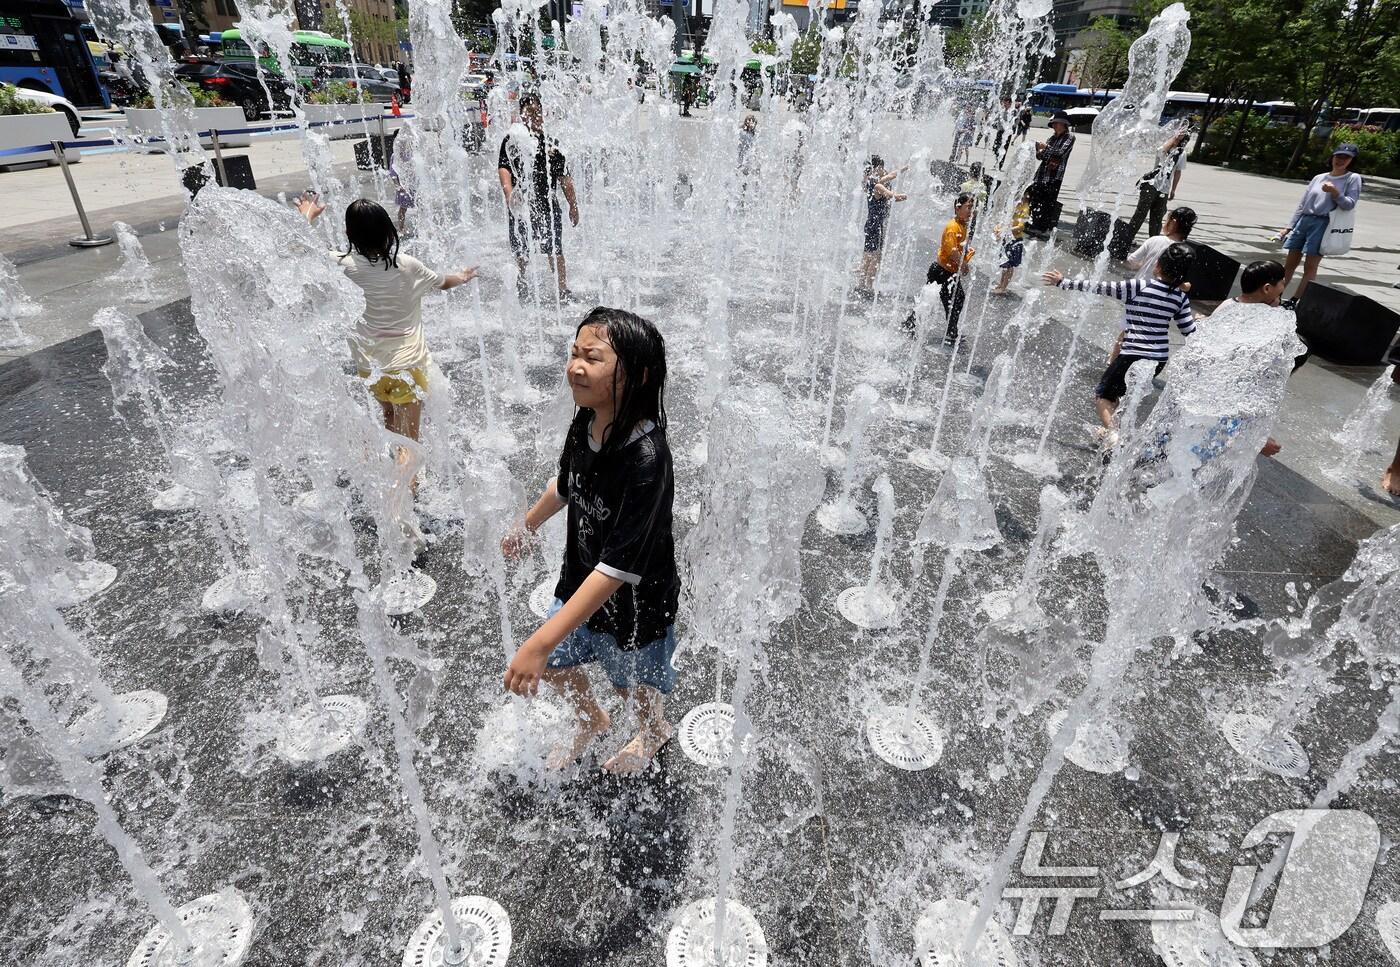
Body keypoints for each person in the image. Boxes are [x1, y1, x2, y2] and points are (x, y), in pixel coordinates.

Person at [502, 308, 679, 775]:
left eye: (593, 358)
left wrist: (538, 641)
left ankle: (652, 729)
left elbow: (618, 570)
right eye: (574, 353)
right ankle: (592, 719)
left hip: (637, 599)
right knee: (558, 663)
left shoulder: (646, 459)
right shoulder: (587, 420)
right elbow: (566, 483)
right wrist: (528, 524)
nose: (575, 366)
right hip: (582, 576)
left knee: (631, 683)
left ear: (636, 376)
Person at [296, 195, 477, 483]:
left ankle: (397, 484)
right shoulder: (407, 265)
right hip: (407, 366)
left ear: (349, 234)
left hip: (371, 368)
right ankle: (400, 508)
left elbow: (299, 247)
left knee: (392, 423)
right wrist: (463, 276)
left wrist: (307, 215)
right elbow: (443, 283)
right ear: (388, 231)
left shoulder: (347, 265)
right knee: (410, 448)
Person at [1044, 241, 1195, 441]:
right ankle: (1112, 431)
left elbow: (1101, 287)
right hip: (1159, 359)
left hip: (1133, 353)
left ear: (1157, 265)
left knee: (1103, 395)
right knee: (1125, 396)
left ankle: (1115, 436)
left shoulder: (1140, 286)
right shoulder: (1181, 298)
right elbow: (1189, 331)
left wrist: (1063, 282)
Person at [498, 92, 580, 300]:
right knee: (521, 248)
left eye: (537, 113)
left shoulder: (552, 143)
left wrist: (573, 205)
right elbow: (504, 168)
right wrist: (509, 194)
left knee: (555, 248)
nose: (534, 117)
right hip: (521, 205)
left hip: (548, 205)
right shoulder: (512, 141)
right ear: (521, 115)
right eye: (529, 113)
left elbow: (564, 178)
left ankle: (562, 289)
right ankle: (522, 281)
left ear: (543, 114)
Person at [1277, 143, 1362, 307]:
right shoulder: (1319, 177)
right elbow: (1302, 204)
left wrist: (1336, 193)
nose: (1340, 160)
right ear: (1332, 157)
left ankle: (1295, 301)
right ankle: (1275, 296)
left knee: (1310, 266)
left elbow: (1349, 204)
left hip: (1324, 223)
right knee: (1289, 264)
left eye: (1346, 157)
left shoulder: (1352, 178)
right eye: (1338, 156)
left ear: (1352, 160)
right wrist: (1289, 227)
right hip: (1305, 221)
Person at [904, 192, 976, 345]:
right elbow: (952, 252)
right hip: (942, 271)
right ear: (958, 208)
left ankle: (914, 323)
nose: (970, 211)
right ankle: (947, 331)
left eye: (972, 208)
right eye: (968, 207)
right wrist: (963, 265)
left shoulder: (962, 225)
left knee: (950, 300)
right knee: (943, 300)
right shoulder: (952, 227)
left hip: (948, 271)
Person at [1117, 126, 1190, 255]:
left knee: (1157, 218)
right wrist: (1175, 137)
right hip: (1151, 185)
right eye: (1179, 137)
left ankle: (1153, 246)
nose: (1181, 140)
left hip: (1164, 188)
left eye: (1183, 138)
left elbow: (1178, 172)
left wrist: (1173, 190)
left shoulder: (1182, 153)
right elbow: (1161, 150)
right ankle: (1126, 240)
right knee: (1140, 214)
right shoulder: (1166, 147)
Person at [856, 155, 908, 300]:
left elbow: (891, 175)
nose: (885, 170)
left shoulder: (871, 181)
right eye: (882, 167)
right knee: (876, 257)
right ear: (877, 168)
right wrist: (902, 195)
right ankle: (869, 286)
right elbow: (892, 196)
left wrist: (903, 168)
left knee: (867, 255)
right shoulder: (878, 185)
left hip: (871, 223)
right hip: (876, 225)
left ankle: (861, 284)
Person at [1028, 112, 1075, 235]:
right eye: (1054, 123)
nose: (1055, 126)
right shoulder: (1052, 138)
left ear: (1064, 124)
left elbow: (1060, 153)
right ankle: (1034, 223)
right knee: (1035, 199)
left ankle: (1043, 228)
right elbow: (1042, 157)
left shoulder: (1069, 137)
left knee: (1048, 203)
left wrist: (1046, 147)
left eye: (1057, 123)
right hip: (1042, 174)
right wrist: (1039, 150)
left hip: (1054, 176)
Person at [1124, 206, 1196, 281]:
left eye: (1166, 220)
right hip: (1163, 291)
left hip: (1140, 287)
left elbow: (1130, 262)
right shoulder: (1186, 252)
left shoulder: (1154, 240)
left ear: (1173, 223)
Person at [991, 189, 1030, 296]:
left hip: (1015, 240)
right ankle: (1001, 284)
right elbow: (1004, 220)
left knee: (1010, 264)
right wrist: (997, 228)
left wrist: (1006, 230)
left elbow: (1020, 227)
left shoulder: (1024, 208)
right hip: (1006, 238)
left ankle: (1004, 287)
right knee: (1005, 263)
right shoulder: (1012, 205)